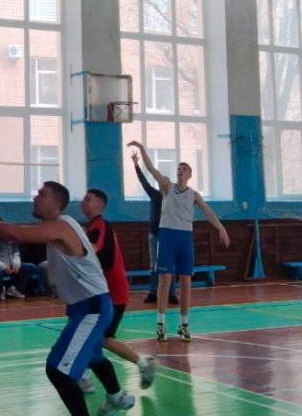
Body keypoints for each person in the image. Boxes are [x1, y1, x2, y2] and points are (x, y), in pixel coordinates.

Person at [0, 182, 136, 416]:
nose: (35, 197)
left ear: (55, 203)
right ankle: (117, 396)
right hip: (82, 307)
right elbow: (18, 231)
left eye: (41, 194)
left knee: (58, 371)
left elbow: (17, 233)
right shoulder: (59, 226)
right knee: (93, 356)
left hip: (92, 307)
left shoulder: (61, 226)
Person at [128, 141, 230, 342]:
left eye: (184, 169)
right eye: (178, 169)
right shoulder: (167, 186)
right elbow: (151, 169)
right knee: (164, 279)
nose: (180, 171)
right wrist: (142, 148)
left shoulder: (193, 194)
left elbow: (208, 212)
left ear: (190, 174)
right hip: (167, 236)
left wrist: (221, 228)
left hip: (184, 238)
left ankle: (184, 325)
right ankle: (160, 324)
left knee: (185, 282)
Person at [77, 189, 156, 394]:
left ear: (99, 205)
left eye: (88, 199)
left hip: (112, 293)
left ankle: (87, 379)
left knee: (97, 337)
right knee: (101, 338)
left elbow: (97, 254)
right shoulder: (93, 227)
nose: (83, 202)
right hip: (104, 292)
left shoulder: (100, 226)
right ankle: (142, 364)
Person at [132, 152, 177, 305]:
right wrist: (136, 165)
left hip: (169, 235)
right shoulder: (155, 195)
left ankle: (171, 294)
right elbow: (144, 182)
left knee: (170, 264)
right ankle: (153, 292)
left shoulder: (174, 199)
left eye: (165, 182)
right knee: (154, 264)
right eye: (160, 182)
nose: (162, 184)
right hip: (155, 234)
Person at [0, 219, 36, 299]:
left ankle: (16, 289)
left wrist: (16, 264)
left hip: (11, 265)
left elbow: (16, 252)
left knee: (31, 267)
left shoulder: (10, 238)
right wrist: (4, 267)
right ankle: (0, 291)